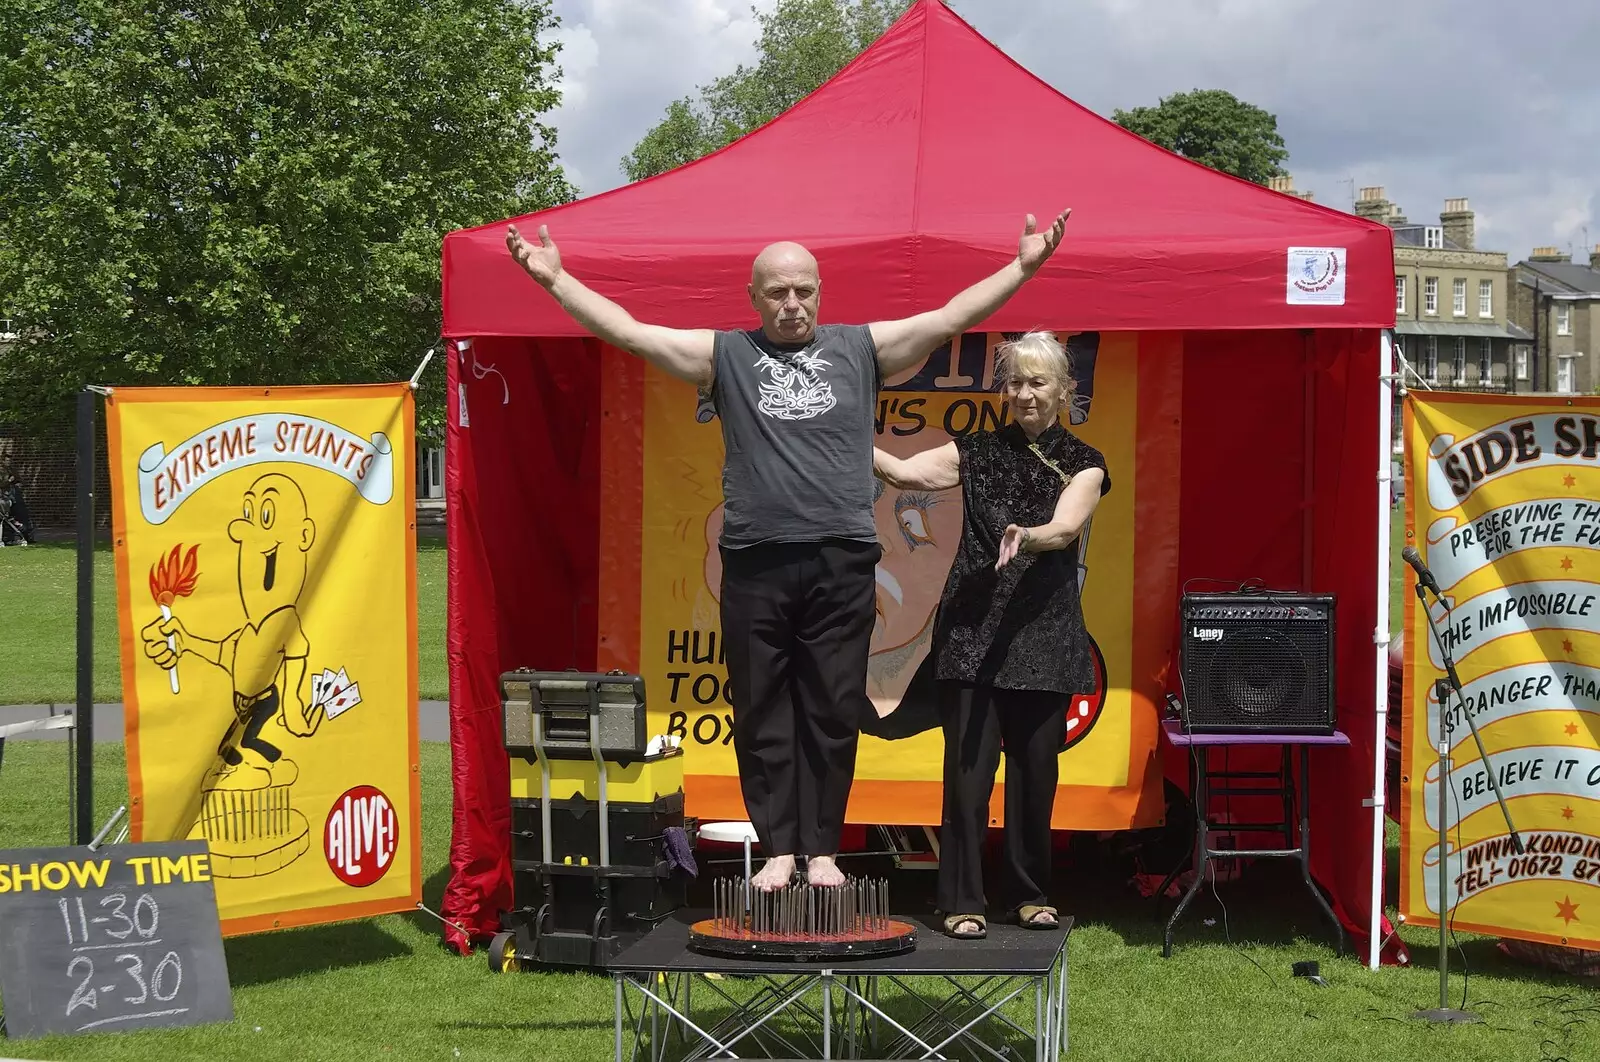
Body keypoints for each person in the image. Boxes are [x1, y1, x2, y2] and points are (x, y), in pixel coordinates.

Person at [505, 212, 1071, 890]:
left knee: (833, 708)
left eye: (803, 290)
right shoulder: (725, 357)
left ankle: (823, 850)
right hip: (757, 562)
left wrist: (1022, 269)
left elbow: (948, 316)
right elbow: (627, 330)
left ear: (820, 292)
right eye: (777, 292)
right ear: (754, 296)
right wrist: (558, 281)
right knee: (763, 706)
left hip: (842, 559)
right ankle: (778, 849)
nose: (792, 303)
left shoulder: (862, 348)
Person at [871, 331, 1108, 937]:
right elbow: (900, 471)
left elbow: (1064, 526)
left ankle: (1030, 895)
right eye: (1015, 383)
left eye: (1038, 383)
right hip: (972, 630)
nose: (1025, 394)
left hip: (1044, 633)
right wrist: (843, 432)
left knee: (1036, 776)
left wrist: (1026, 535)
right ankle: (960, 901)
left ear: (1062, 390)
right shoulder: (972, 452)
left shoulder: (1084, 462)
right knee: (968, 777)